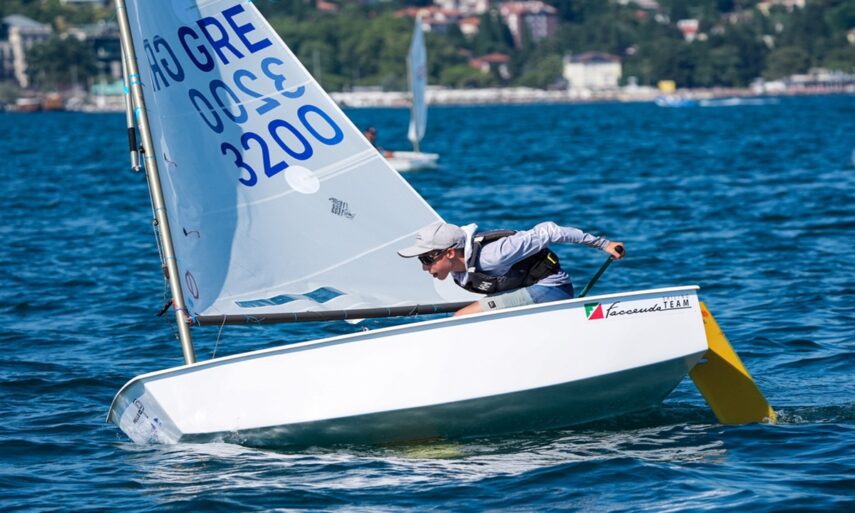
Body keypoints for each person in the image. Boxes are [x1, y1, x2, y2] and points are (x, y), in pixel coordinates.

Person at [397, 221, 625, 317]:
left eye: (427, 258)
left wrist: (603, 244)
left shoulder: (494, 255)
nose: (425, 267)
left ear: (449, 253)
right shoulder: (457, 270)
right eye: (421, 260)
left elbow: (549, 231)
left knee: (462, 316)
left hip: (551, 289)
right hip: (525, 292)